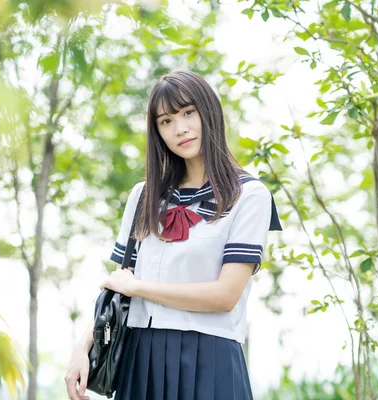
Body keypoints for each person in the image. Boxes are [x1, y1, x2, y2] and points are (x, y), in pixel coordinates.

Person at [65, 69, 282, 400]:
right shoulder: (144, 196)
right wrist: (83, 347)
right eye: (165, 121)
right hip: (141, 360)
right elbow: (118, 289)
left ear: (208, 112)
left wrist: (139, 288)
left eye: (187, 113)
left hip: (210, 356)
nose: (179, 128)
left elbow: (225, 296)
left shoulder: (249, 196)